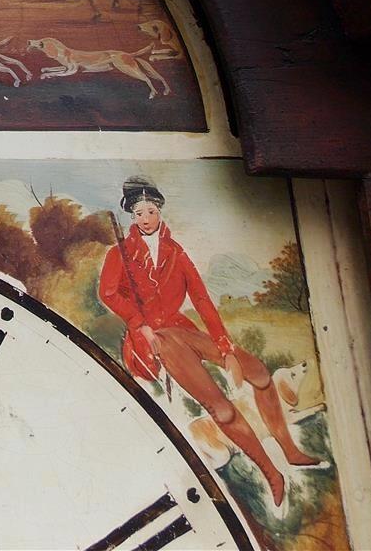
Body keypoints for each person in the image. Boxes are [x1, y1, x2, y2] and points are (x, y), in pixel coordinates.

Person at [98, 175, 320, 509]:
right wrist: (137, 322)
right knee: (221, 407)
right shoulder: (121, 254)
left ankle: (290, 450)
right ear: (131, 215)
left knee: (258, 372)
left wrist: (226, 347)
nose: (145, 219)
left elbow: (201, 299)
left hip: (181, 328)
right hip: (153, 339)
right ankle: (271, 472)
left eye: (150, 212)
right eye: (139, 213)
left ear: (159, 211)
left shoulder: (176, 252)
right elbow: (108, 292)